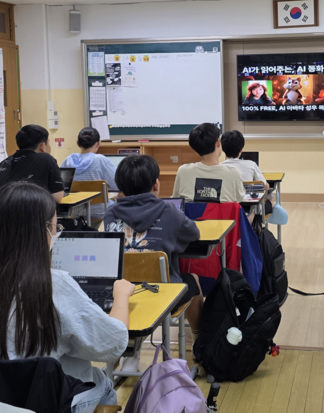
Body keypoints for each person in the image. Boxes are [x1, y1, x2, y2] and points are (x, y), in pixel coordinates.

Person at [0, 182, 135, 413]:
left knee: (66, 357)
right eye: (56, 226)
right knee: (102, 381)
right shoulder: (53, 285)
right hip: (38, 411)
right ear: (45, 230)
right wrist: (121, 295)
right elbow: (113, 344)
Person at [104, 154, 203, 338]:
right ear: (156, 184)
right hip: (163, 294)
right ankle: (199, 338)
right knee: (193, 279)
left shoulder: (109, 214)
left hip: (120, 294)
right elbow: (194, 234)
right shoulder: (169, 211)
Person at [0, 125, 63, 204]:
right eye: (49, 143)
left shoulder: (4, 162)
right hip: (24, 210)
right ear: (42, 146)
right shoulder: (47, 159)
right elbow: (57, 197)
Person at [172, 123, 245, 203]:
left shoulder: (183, 171)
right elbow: (239, 199)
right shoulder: (234, 173)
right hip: (223, 212)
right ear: (218, 142)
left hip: (192, 212)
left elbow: (175, 199)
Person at [61, 127, 118, 218]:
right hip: (100, 212)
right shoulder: (101, 160)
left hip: (75, 213)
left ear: (78, 143)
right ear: (98, 143)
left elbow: (61, 186)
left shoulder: (68, 160)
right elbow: (118, 185)